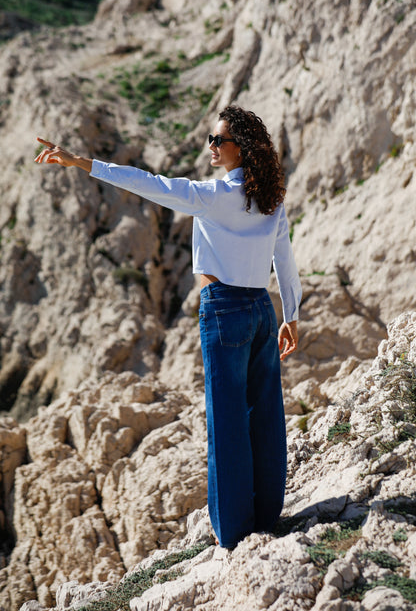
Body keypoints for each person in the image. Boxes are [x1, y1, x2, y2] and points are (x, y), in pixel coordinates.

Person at [35, 105, 302, 549]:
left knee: (227, 418)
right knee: (265, 415)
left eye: (219, 140)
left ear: (243, 148)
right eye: (211, 139)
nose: (211, 147)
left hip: (224, 310)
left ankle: (234, 533)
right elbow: (285, 260)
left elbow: (148, 184)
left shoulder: (212, 196)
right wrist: (291, 315)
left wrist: (81, 163)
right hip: (261, 309)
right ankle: (267, 514)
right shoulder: (270, 198)